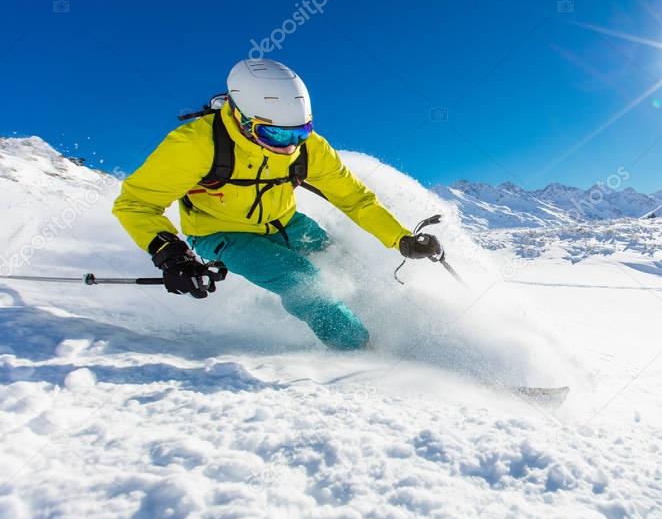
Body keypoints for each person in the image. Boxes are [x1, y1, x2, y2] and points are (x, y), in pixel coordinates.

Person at [113, 58, 442, 350]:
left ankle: (394, 325)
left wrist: (400, 238)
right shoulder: (195, 145)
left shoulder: (309, 147)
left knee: (345, 267)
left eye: (300, 132)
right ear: (242, 118)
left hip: (286, 223)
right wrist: (171, 255)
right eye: (276, 136)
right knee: (302, 279)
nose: (289, 148)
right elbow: (135, 204)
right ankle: (364, 351)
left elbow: (355, 200)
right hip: (221, 232)